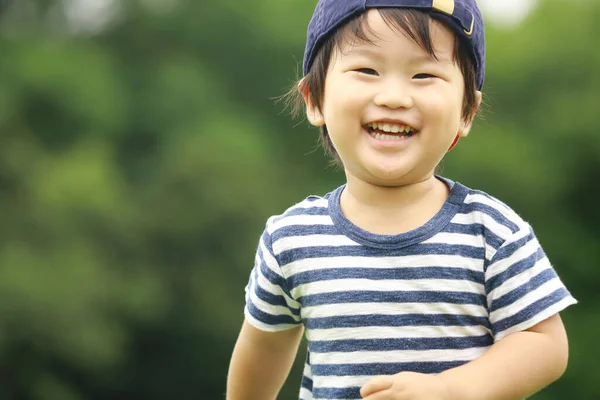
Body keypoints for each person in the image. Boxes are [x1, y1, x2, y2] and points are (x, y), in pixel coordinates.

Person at [227, 0, 577, 399]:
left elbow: (545, 345)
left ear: (467, 111)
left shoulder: (492, 232)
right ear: (314, 98)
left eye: (424, 75)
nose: (394, 97)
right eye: (366, 70)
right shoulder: (291, 238)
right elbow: (264, 346)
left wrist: (450, 389)